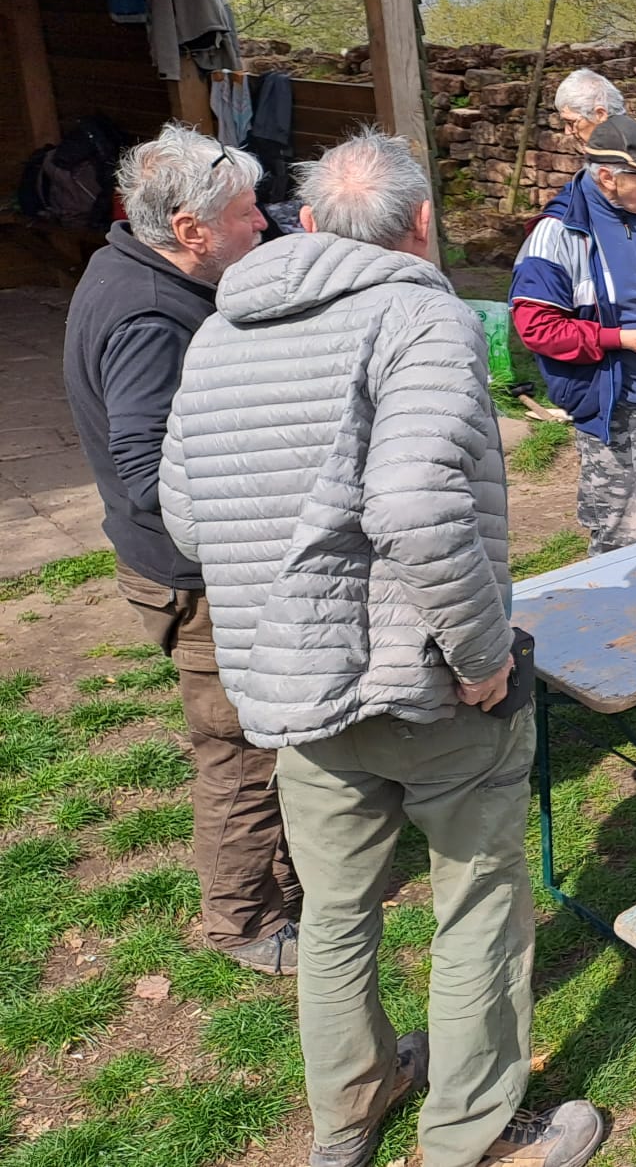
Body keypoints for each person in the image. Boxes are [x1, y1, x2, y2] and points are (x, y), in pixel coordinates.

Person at [159, 129, 606, 1167]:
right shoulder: (422, 317)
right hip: (424, 680)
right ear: (421, 225)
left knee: (334, 915)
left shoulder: (220, 332)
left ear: (312, 222)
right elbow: (411, 504)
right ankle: (468, 1136)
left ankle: (346, 1122)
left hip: (294, 681)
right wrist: (482, 652)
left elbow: (184, 515)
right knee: (477, 905)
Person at [61, 123, 298, 975]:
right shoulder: (151, 314)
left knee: (264, 736)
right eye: (245, 213)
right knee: (238, 748)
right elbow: (143, 467)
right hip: (195, 580)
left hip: (190, 568)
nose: (263, 223)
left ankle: (287, 879)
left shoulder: (136, 266)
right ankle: (245, 923)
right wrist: (247, 525)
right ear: (190, 229)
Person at [510, 119, 636, 555]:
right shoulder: (557, 235)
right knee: (625, 543)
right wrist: (622, 339)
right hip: (618, 412)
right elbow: (537, 329)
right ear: (608, 176)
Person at [553, 67, 625, 145]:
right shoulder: (627, 140)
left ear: (600, 115)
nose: (567, 132)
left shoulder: (623, 150)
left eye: (571, 123)